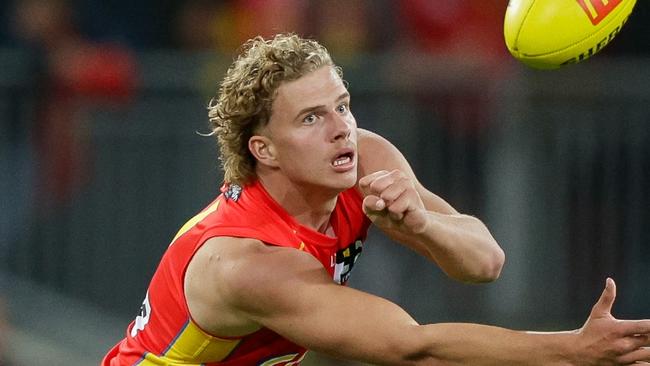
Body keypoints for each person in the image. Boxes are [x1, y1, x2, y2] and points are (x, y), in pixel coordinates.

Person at [103, 33, 650, 365]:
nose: (341, 129)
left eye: (342, 105)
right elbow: (413, 348)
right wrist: (572, 354)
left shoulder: (363, 156)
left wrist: (423, 227)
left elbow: (486, 262)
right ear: (263, 149)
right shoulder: (246, 261)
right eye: (312, 118)